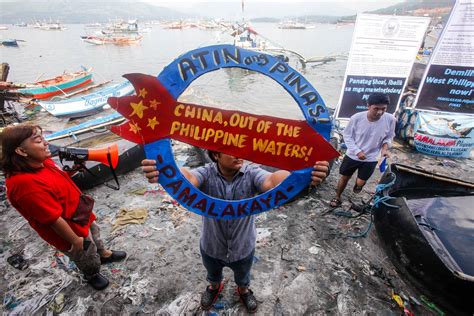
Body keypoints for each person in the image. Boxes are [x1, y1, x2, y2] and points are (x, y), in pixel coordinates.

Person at [142, 150, 329, 313]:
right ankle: (214, 287)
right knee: (213, 275)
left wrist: (302, 176)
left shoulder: (252, 173)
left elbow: (272, 181)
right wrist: (166, 172)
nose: (239, 155)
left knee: (243, 278)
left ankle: (244, 291)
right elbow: (188, 178)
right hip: (211, 245)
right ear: (216, 155)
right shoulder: (206, 174)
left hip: (243, 246)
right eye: (231, 150)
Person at [1, 124, 127, 290]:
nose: (46, 143)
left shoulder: (42, 162)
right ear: (21, 151)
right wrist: (75, 241)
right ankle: (92, 273)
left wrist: (72, 171)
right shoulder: (23, 185)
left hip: (80, 212)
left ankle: (103, 254)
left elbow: (56, 180)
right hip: (68, 229)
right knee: (85, 253)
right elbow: (52, 219)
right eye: (39, 141)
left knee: (95, 233)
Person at [330, 93, 396, 207]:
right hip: (352, 155)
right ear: (368, 106)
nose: (380, 112)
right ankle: (337, 197)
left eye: (383, 109)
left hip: (371, 158)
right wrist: (357, 151)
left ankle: (358, 186)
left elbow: (389, 137)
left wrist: (384, 149)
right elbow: (347, 136)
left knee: (361, 182)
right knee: (344, 177)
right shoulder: (357, 118)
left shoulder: (390, 119)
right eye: (376, 109)